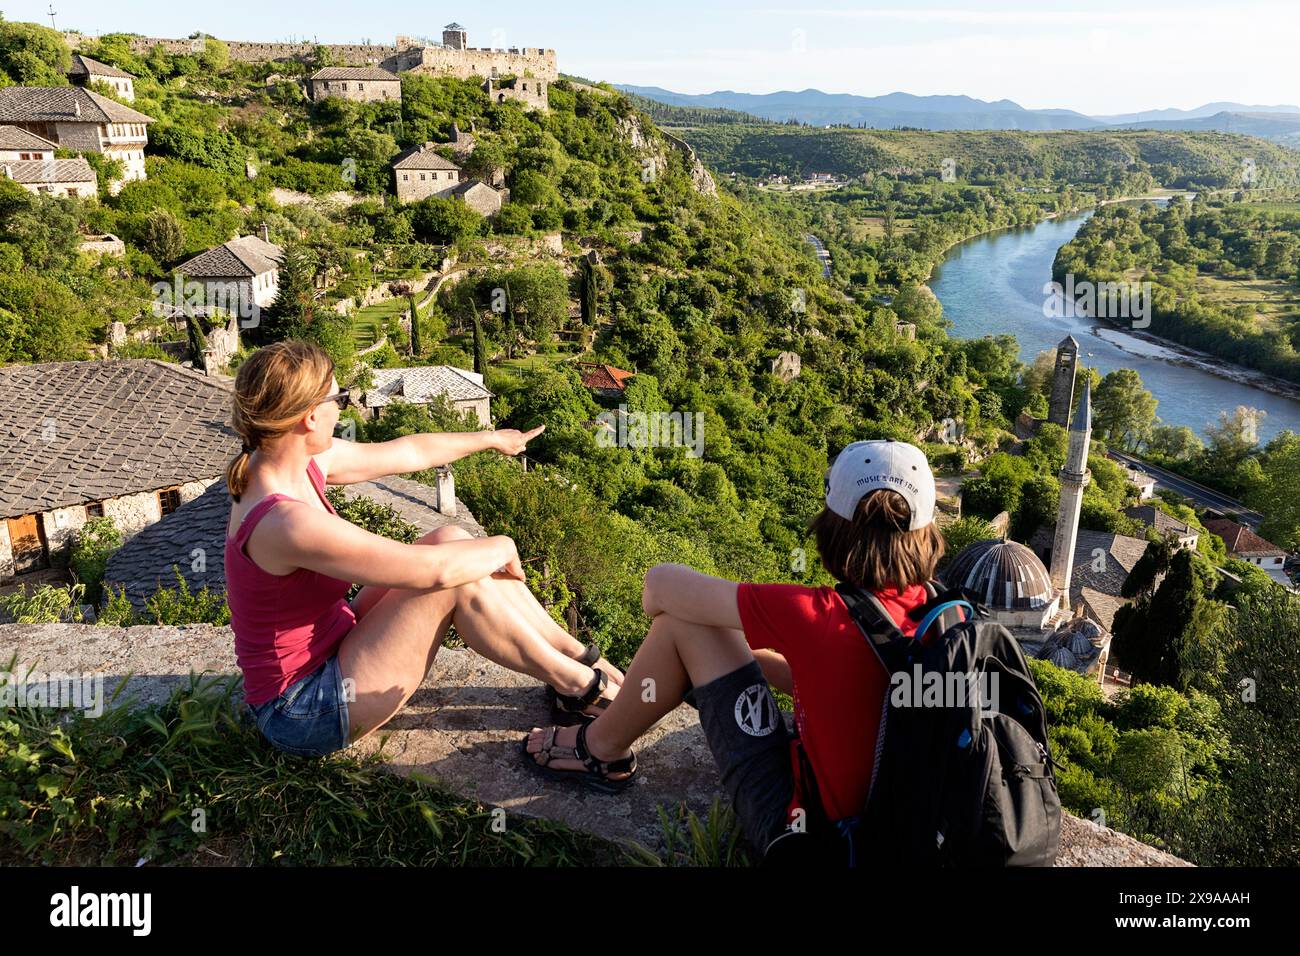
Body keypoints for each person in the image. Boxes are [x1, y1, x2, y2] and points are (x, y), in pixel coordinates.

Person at [524, 439, 947, 854]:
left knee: (680, 626)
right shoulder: (945, 614)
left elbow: (658, 587)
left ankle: (599, 750)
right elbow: (846, 685)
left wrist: (719, 653)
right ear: (927, 533)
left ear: (832, 528)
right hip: (907, 831)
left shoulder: (819, 614)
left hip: (815, 838)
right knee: (706, 636)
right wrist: (736, 658)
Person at [225, 339, 624, 758]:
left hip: (334, 644)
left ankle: (577, 656)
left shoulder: (288, 463)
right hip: (303, 709)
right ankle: (582, 688)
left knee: (449, 539)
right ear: (309, 416)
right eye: (339, 398)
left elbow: (409, 450)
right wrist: (503, 544)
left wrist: (491, 438)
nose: (344, 407)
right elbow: (434, 573)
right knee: (455, 579)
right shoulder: (286, 522)